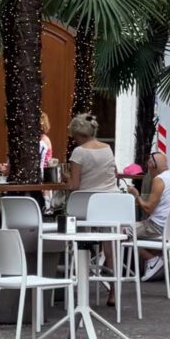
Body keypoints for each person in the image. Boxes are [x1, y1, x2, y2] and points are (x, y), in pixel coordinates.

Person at [63, 113, 118, 303]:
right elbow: (114, 174)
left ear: (78, 135)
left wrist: (65, 178)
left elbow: (75, 185)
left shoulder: (79, 152)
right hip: (110, 205)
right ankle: (113, 291)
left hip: (85, 207)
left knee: (73, 232)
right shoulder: (108, 149)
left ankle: (78, 280)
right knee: (109, 246)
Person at [127, 151, 170, 282]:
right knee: (140, 225)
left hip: (158, 227)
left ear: (152, 165)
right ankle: (155, 260)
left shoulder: (160, 180)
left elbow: (148, 208)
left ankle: (151, 259)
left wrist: (136, 195)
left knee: (122, 231)